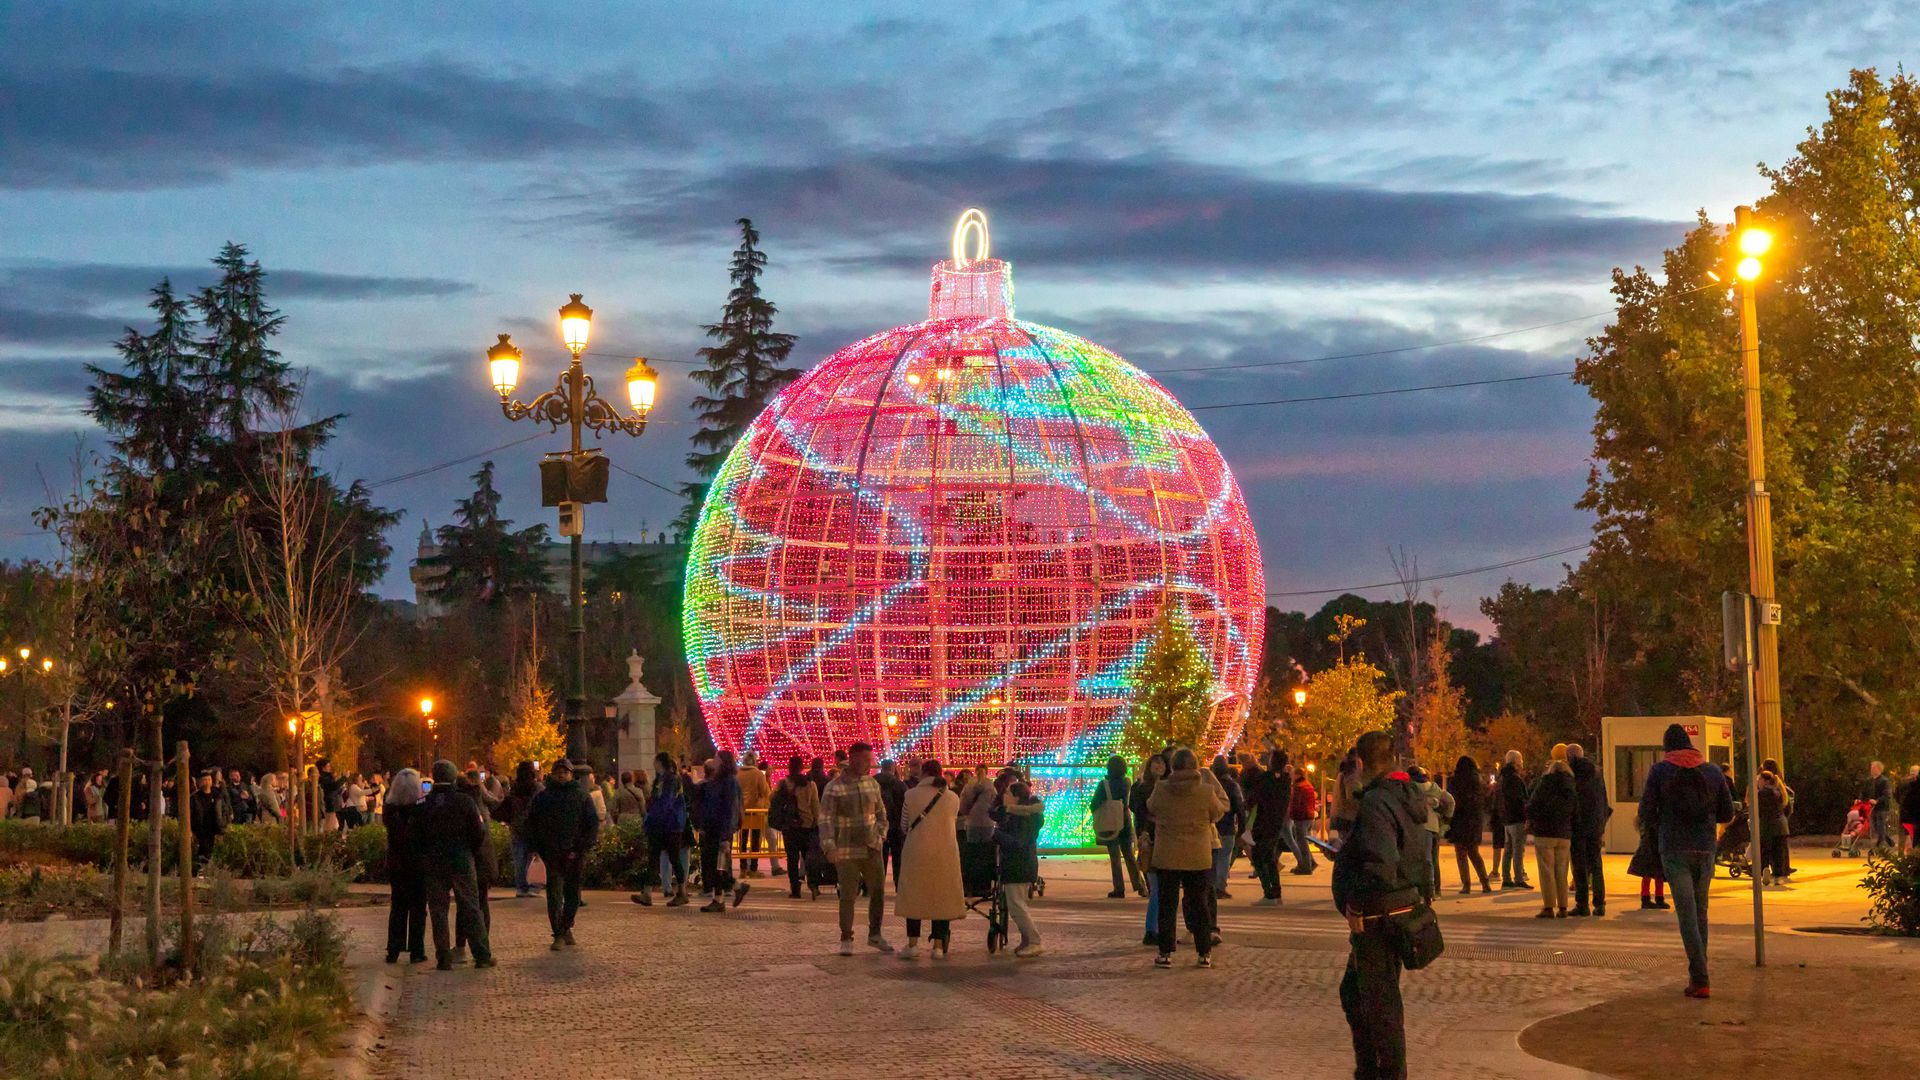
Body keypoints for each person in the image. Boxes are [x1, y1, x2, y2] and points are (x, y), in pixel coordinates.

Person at [1333, 730, 1433, 1080]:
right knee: (1357, 993)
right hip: (1401, 906)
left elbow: (1380, 860)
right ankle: (1371, 1069)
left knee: (1379, 1003)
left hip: (1377, 913)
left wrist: (1357, 905)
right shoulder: (1406, 793)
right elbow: (1418, 852)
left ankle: (1383, 1073)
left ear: (1360, 762)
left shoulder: (1377, 801)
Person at [1640, 723, 1734, 998]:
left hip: (1674, 847)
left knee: (1686, 915)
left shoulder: (1660, 771)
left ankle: (1700, 975)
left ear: (1667, 746)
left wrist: (1662, 822)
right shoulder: (1713, 771)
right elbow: (1726, 813)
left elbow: (1646, 810)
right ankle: (1698, 976)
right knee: (1700, 912)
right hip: (1705, 849)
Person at [1147, 747, 1229, 969]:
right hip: (1197, 856)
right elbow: (1217, 812)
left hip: (1168, 855)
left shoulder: (1162, 789)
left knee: (1167, 905)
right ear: (1195, 766)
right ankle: (1203, 952)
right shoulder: (1205, 791)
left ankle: (1165, 952)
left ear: (1172, 766)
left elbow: (1151, 807)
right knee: (1199, 904)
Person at [819, 741, 892, 955]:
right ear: (852, 760)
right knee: (848, 894)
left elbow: (881, 813)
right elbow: (826, 820)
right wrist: (829, 846)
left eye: (870, 761)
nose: (869, 765)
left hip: (872, 847)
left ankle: (875, 934)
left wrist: (880, 835)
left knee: (878, 891)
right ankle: (846, 936)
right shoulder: (834, 787)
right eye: (865, 761)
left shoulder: (872, 784)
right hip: (846, 849)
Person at [420, 760, 493, 969]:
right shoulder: (465, 801)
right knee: (471, 906)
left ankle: (443, 957)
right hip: (461, 857)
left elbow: (416, 834)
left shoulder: (424, 804)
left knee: (438, 910)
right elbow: (479, 832)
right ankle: (482, 955)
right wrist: (469, 849)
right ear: (453, 777)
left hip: (435, 860)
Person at [525, 759, 599, 950]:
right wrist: (537, 848)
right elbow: (532, 823)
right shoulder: (543, 798)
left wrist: (580, 849)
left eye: (565, 772)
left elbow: (591, 826)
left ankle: (566, 926)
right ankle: (558, 932)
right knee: (555, 895)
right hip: (551, 854)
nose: (561, 775)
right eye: (558, 772)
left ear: (571, 774)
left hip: (575, 853)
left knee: (573, 894)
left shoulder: (581, 797)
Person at [895, 759, 965, 959]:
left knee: (914, 895)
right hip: (946, 852)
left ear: (924, 774)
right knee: (941, 896)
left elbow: (904, 824)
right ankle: (938, 946)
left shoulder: (910, 795)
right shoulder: (953, 798)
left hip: (916, 851)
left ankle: (912, 943)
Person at [995, 777, 1046, 957]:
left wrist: (997, 835)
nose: (1004, 795)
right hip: (1019, 864)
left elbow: (1017, 843)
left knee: (1017, 905)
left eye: (1008, 793)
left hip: (1019, 865)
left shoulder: (1022, 819)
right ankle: (1027, 940)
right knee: (1017, 904)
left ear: (1016, 798)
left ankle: (1034, 940)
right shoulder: (1017, 816)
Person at [382, 768, 428, 964]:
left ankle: (393, 949)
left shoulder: (389, 809)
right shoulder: (420, 810)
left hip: (396, 862)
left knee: (398, 906)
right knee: (418, 907)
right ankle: (417, 950)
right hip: (417, 862)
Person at [692, 756, 749, 912]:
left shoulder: (729, 782)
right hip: (713, 828)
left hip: (719, 830)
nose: (715, 761)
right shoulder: (719, 781)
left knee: (717, 866)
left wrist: (725, 834)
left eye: (717, 759)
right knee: (715, 865)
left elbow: (729, 809)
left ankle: (729, 892)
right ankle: (725, 894)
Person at [636, 753, 690, 906]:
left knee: (673, 857)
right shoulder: (660, 780)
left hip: (670, 825)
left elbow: (665, 803)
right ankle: (647, 893)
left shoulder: (671, 780)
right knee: (654, 858)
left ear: (660, 763)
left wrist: (651, 819)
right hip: (661, 824)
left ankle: (681, 892)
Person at [454, 767, 496, 959]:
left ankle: (463, 947)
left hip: (470, 860)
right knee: (482, 902)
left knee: (466, 904)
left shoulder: (462, 803)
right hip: (483, 859)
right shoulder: (479, 802)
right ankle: (482, 943)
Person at [1563, 743, 1609, 916]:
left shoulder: (1571, 774)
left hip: (1578, 827)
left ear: (1570, 757)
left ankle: (1582, 904)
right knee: (1596, 865)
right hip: (1595, 826)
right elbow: (1603, 799)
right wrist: (1602, 824)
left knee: (1580, 866)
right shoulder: (1596, 773)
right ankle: (1600, 903)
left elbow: (1570, 801)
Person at [1091, 755, 1146, 898]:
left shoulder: (1104, 785)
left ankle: (1119, 888)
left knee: (1114, 856)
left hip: (1111, 822)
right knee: (1129, 855)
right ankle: (1140, 885)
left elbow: (1094, 803)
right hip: (1125, 820)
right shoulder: (1127, 782)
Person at [1527, 759, 1577, 918]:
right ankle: (1563, 907)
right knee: (1562, 870)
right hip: (1564, 834)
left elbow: (1532, 806)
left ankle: (1549, 907)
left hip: (1544, 832)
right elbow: (1576, 810)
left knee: (1546, 870)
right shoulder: (1571, 786)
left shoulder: (1544, 784)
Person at [771, 754, 821, 900]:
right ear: (802, 767)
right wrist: (816, 822)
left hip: (790, 827)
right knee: (809, 858)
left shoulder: (783, 783)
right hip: (807, 825)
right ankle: (813, 886)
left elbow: (772, 799)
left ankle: (795, 890)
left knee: (792, 859)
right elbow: (815, 806)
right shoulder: (810, 784)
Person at [1243, 751, 1290, 905]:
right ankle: (1277, 893)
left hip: (1262, 822)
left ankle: (1269, 893)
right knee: (1270, 857)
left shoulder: (1264, 779)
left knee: (1258, 856)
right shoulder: (1285, 780)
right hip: (1276, 822)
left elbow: (1254, 799)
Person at [1132, 752, 1168, 945]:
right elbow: (1139, 811)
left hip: (1165, 841)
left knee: (1161, 889)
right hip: (1151, 841)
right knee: (1157, 888)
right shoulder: (1142, 788)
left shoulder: (1167, 787)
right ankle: (1151, 930)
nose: (1158, 766)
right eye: (1155, 763)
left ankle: (1156, 928)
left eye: (1161, 763)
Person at [1446, 756, 1492, 894]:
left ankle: (1466, 885)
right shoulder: (1477, 781)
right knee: (1474, 853)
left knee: (1461, 854)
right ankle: (1485, 882)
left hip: (1459, 820)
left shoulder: (1455, 781)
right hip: (1473, 821)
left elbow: (1453, 801)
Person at [495, 761, 542, 898]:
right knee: (533, 857)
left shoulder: (515, 788)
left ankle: (521, 887)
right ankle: (533, 885)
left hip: (517, 827)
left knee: (519, 858)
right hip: (533, 827)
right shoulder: (536, 788)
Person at [1406, 766, 1452, 901]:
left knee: (1423, 860)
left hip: (1419, 826)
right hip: (1434, 826)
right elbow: (1451, 801)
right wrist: (1446, 821)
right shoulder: (1434, 788)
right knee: (1433, 859)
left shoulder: (1410, 789)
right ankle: (1436, 889)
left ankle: (1426, 889)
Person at [1208, 755, 1247, 900]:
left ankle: (1212, 885)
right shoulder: (1232, 786)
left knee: (1213, 858)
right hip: (1227, 826)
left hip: (1212, 827)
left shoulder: (1209, 786)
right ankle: (1220, 887)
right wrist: (1242, 827)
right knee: (1224, 858)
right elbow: (1239, 807)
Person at [1497, 751, 1532, 889]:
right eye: (1521, 760)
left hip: (1507, 819)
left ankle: (1506, 878)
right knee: (1518, 849)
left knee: (1508, 849)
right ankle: (1518, 878)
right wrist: (1526, 816)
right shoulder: (1515, 779)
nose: (1522, 762)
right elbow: (1519, 800)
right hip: (1516, 818)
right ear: (1515, 761)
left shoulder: (1503, 778)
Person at [1754, 764, 1792, 886]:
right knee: (1779, 852)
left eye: (1758, 780)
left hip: (1767, 825)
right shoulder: (1780, 791)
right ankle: (1778, 875)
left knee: (1765, 850)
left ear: (1764, 780)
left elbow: (1758, 810)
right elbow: (1788, 809)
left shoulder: (1761, 794)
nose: (1757, 782)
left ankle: (1765, 870)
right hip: (1781, 825)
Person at [737, 752, 773, 876]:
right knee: (755, 840)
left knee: (743, 840)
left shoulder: (737, 774)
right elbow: (764, 791)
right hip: (756, 811)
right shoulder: (758, 774)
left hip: (741, 811)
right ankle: (753, 868)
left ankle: (742, 867)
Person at [876, 758, 908, 886]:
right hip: (896, 825)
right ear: (893, 768)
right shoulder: (900, 785)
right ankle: (898, 883)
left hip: (878, 824)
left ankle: (877, 884)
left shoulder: (873, 783)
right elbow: (904, 805)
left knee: (879, 855)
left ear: (881, 768)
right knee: (897, 855)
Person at [1288, 765, 1321, 874]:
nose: (1292, 776)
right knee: (1304, 841)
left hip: (1300, 817)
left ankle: (1306, 867)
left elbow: (1295, 803)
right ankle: (1311, 862)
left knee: (1302, 843)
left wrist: (1290, 814)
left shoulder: (1298, 787)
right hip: (1309, 816)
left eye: (1293, 774)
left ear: (1297, 775)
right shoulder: (1308, 785)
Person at [188, 771, 224, 868]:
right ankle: (202, 868)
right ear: (199, 782)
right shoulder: (194, 797)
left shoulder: (217, 795)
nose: (207, 782)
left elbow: (222, 811)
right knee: (203, 850)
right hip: (200, 828)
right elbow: (190, 813)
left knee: (213, 851)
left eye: (209, 779)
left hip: (214, 828)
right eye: (204, 780)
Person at [1864, 761, 1895, 851]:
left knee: (1881, 825)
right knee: (1876, 826)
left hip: (1882, 807)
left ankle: (1880, 845)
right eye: (1871, 768)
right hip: (1872, 807)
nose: (1871, 769)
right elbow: (1864, 791)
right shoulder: (1869, 781)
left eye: (1873, 768)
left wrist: (1877, 801)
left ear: (1879, 769)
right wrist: (1861, 799)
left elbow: (1887, 795)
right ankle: (1889, 841)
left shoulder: (1884, 781)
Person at [1900, 764, 1920, 854]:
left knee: (1908, 835)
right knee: (1913, 836)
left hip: (1904, 814)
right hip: (1913, 815)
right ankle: (1911, 855)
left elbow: (1897, 795)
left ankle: (1905, 854)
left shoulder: (1903, 782)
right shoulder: (1915, 783)